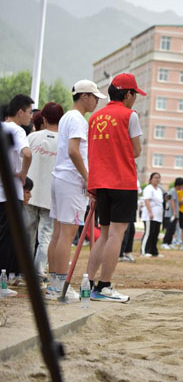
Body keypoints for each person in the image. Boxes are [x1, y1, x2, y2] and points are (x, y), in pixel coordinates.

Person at [86, 73, 144, 303]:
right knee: (116, 235)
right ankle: (104, 286)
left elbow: (93, 151)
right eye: (135, 94)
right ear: (128, 94)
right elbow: (136, 151)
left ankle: (88, 283)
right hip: (122, 182)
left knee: (105, 234)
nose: (135, 98)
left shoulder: (95, 117)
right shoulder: (130, 115)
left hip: (101, 183)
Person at [48, 82, 104, 300]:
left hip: (60, 177)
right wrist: (88, 178)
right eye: (94, 97)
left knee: (58, 233)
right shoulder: (78, 120)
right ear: (84, 96)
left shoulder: (66, 117)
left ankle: (54, 285)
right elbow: (74, 151)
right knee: (67, 234)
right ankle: (60, 285)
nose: (96, 101)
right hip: (71, 180)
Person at [24, 102, 63, 281]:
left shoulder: (32, 137)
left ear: (44, 119)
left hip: (30, 193)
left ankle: (24, 271)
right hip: (51, 195)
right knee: (46, 235)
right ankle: (38, 272)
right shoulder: (64, 141)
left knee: (28, 233)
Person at [0, 94, 33, 287]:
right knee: (10, 237)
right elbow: (27, 153)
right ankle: (4, 279)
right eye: (29, 112)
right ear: (20, 112)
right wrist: (23, 173)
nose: (30, 116)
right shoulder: (17, 130)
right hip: (10, 193)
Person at [141, 172, 164, 257]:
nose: (157, 179)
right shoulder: (148, 188)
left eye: (158, 177)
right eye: (155, 177)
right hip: (150, 215)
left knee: (155, 234)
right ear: (151, 179)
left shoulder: (159, 190)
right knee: (149, 233)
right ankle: (145, 251)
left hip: (158, 216)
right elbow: (147, 200)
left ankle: (154, 251)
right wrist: (150, 212)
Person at [161, 178, 181, 249]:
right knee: (169, 229)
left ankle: (169, 243)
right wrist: (175, 212)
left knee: (172, 229)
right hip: (170, 214)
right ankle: (165, 242)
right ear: (178, 185)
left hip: (173, 214)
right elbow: (172, 201)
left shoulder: (175, 191)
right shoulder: (172, 191)